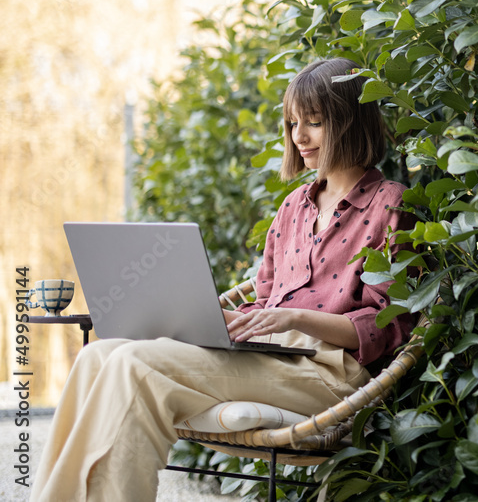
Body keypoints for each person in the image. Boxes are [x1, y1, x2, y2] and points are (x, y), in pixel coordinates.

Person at [31, 58, 415, 501]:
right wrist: (212, 320)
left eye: (315, 123)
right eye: (293, 123)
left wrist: (293, 319)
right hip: (267, 358)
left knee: (131, 367)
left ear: (350, 123)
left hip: (329, 375)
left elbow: (387, 326)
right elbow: (265, 300)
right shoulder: (294, 207)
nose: (299, 137)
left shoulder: (390, 205)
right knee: (100, 356)